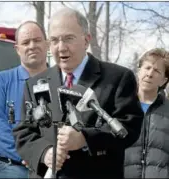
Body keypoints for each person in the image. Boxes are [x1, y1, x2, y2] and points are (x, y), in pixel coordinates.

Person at [13, 8, 144, 179]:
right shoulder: (35, 84)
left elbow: (129, 128)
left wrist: (85, 138)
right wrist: (44, 153)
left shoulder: (118, 78)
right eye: (54, 40)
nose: (61, 48)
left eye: (68, 38)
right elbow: (23, 132)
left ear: (86, 40)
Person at [0, 21, 48, 178]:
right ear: (17, 49)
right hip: (7, 167)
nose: (32, 46)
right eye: (25, 42)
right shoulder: (1, 81)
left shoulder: (62, 82)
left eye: (37, 40)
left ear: (47, 44)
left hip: (51, 167)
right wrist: (30, 154)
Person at [124, 48, 169, 178]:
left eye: (156, 71)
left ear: (164, 80)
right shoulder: (120, 105)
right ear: (139, 71)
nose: (150, 74)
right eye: (147, 67)